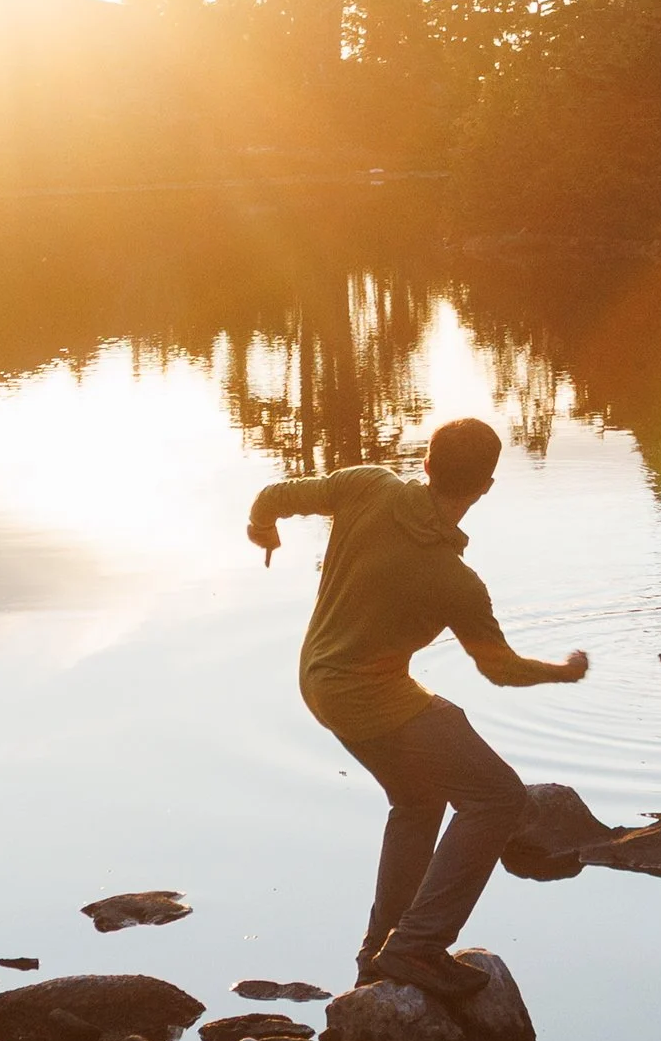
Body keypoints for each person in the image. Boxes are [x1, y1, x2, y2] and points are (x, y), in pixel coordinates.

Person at [247, 415, 590, 999]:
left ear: (426, 464)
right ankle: (418, 947)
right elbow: (499, 670)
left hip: (317, 681)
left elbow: (272, 496)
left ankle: (379, 950)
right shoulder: (455, 580)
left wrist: (263, 529)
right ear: (485, 485)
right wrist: (562, 671)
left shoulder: (366, 485)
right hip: (367, 694)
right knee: (497, 797)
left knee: (419, 799)